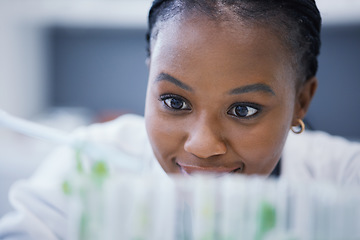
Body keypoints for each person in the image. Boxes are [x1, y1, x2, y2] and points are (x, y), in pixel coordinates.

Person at [1, 0, 359, 239]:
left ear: (301, 101)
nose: (202, 145)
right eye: (174, 101)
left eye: (244, 110)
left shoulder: (344, 179)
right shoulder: (87, 167)